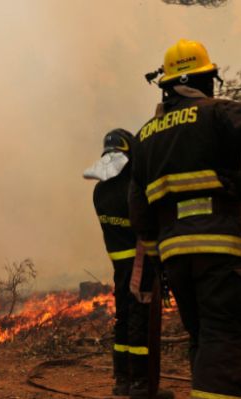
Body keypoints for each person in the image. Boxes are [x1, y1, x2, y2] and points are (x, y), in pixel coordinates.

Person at [129, 39, 241, 399]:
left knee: (203, 338)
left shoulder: (143, 138)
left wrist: (159, 256)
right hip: (219, 247)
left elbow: (139, 209)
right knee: (223, 336)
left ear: (168, 86)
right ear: (204, 81)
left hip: (175, 259)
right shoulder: (216, 113)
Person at [84, 129, 174, 399]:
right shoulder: (134, 189)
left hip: (120, 268)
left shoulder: (100, 191)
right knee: (141, 321)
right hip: (141, 263)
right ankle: (142, 384)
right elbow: (148, 223)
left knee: (123, 319)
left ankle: (122, 380)